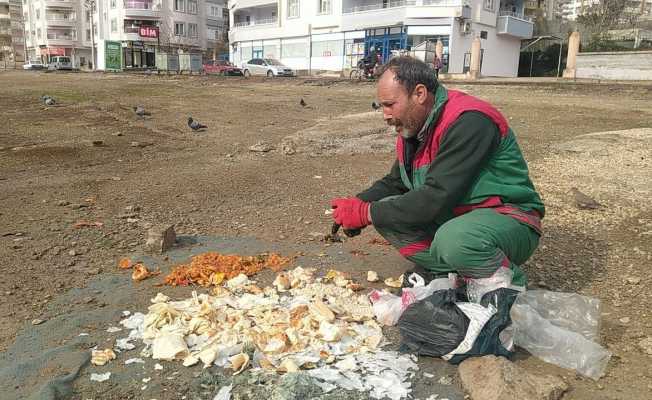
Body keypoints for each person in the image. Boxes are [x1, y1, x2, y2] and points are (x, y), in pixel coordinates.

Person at [330, 56, 544, 288]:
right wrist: (357, 204)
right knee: (387, 214)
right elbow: (397, 182)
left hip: (508, 219)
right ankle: (456, 273)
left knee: (453, 241)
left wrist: (366, 212)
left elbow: (437, 196)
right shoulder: (415, 129)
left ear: (419, 94)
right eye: (381, 106)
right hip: (459, 219)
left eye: (390, 104)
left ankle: (508, 287)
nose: (385, 115)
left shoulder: (469, 121)